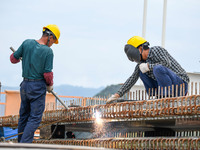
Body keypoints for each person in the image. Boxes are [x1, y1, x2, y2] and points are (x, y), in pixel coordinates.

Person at [10, 24, 60, 143]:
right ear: (50, 37)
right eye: (53, 41)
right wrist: (50, 85)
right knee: (34, 118)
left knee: (24, 116)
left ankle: (19, 144)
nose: (52, 44)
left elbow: (13, 59)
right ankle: (24, 145)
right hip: (37, 87)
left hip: (25, 86)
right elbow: (47, 74)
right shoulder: (48, 51)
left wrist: (25, 56)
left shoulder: (27, 43)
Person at [107, 36, 189, 103]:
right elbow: (132, 79)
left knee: (158, 68)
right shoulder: (142, 63)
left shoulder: (156, 50)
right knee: (141, 71)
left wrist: (149, 66)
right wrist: (117, 95)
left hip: (180, 84)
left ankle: (165, 96)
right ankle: (156, 95)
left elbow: (166, 64)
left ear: (140, 48)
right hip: (164, 87)